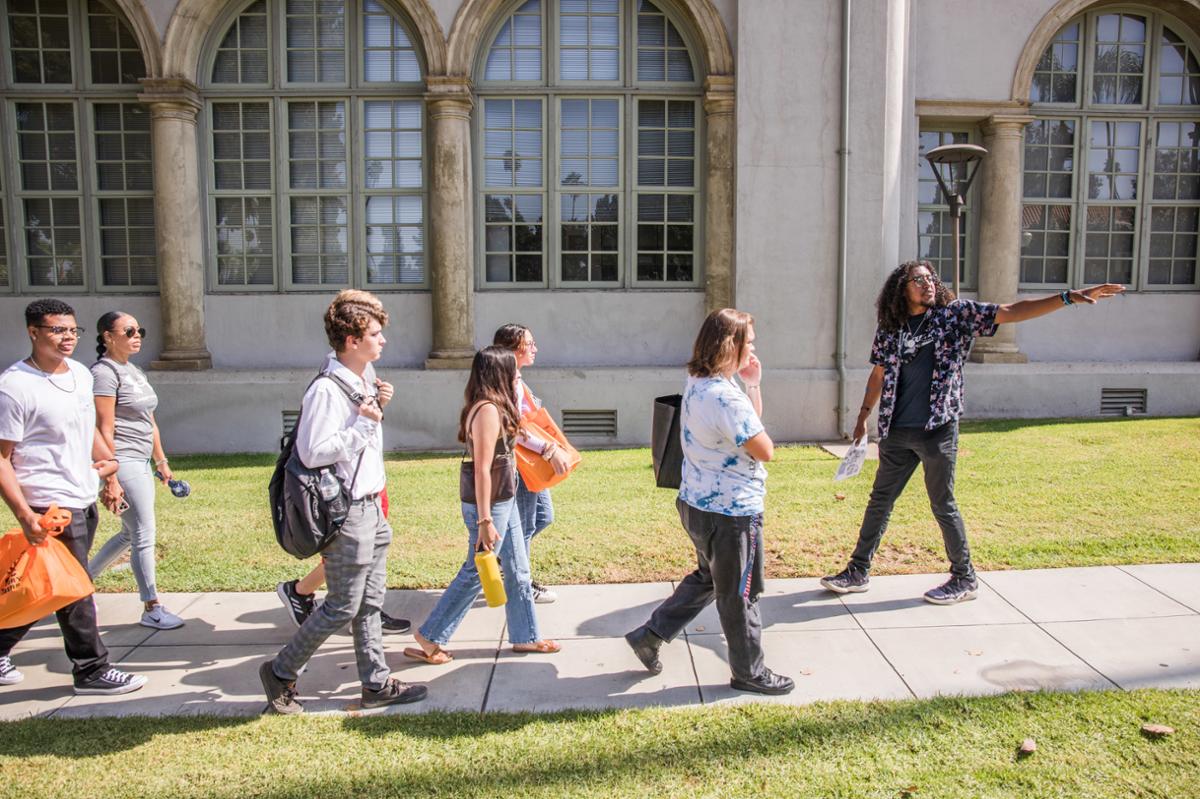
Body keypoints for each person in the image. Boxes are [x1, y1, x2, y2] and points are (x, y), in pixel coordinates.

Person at [820, 260, 1125, 604]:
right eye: (918, 279)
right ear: (901, 289)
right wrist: (863, 417)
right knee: (880, 501)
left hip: (937, 427)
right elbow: (878, 374)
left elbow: (1011, 311)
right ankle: (858, 570)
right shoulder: (892, 327)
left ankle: (964, 578)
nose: (928, 284)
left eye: (930, 278)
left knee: (942, 503)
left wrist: (1068, 297)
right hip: (896, 429)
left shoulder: (954, 316)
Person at [259, 290, 426, 714]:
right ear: (351, 341)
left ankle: (375, 684)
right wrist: (365, 424)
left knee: (370, 602)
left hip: (371, 505)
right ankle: (280, 672)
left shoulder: (362, 380)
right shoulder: (327, 390)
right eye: (374, 334)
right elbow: (314, 451)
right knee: (340, 606)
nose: (382, 340)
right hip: (347, 511)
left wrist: (375, 406)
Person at [625, 308, 793, 695]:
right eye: (748, 341)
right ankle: (749, 672)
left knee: (708, 578)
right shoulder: (723, 398)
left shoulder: (702, 381)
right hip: (731, 512)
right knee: (740, 593)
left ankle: (649, 636)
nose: (753, 347)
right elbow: (764, 448)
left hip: (697, 503)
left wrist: (753, 384)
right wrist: (747, 397)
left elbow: (745, 424)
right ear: (729, 345)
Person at [0, 299, 147, 695]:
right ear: (33, 332)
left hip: (82, 496)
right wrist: (24, 515)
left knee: (51, 585)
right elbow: (2, 458)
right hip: (48, 503)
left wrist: (109, 467)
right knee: (74, 588)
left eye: (72, 330)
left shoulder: (81, 375)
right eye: (57, 330)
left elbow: (90, 431)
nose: (67, 338)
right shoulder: (14, 387)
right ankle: (92, 669)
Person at [406, 346, 560, 664]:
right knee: (477, 571)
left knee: (518, 569)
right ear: (499, 374)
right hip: (491, 506)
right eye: (512, 372)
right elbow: (482, 468)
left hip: (504, 499)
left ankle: (526, 636)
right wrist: (485, 520)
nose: (518, 376)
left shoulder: (494, 407)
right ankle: (430, 636)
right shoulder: (487, 410)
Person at [86, 312, 184, 630]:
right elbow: (102, 428)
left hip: (141, 460)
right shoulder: (103, 374)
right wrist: (110, 476)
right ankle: (151, 607)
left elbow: (149, 420)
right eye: (128, 331)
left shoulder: (134, 371)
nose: (136, 335)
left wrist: (161, 462)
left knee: (129, 533)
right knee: (143, 533)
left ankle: (80, 584)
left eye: (139, 329)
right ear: (107, 337)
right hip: (122, 459)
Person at [493, 324, 573, 604]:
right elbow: (517, 427)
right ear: (516, 348)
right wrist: (548, 448)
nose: (535, 348)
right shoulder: (509, 381)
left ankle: (504, 562)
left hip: (530, 461)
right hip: (524, 462)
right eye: (530, 344)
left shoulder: (514, 378)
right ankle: (522, 584)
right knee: (524, 527)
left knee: (543, 516)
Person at [274, 484, 410, 633]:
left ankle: (362, 614)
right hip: (349, 483)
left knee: (363, 545)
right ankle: (301, 592)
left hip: (360, 480)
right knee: (354, 547)